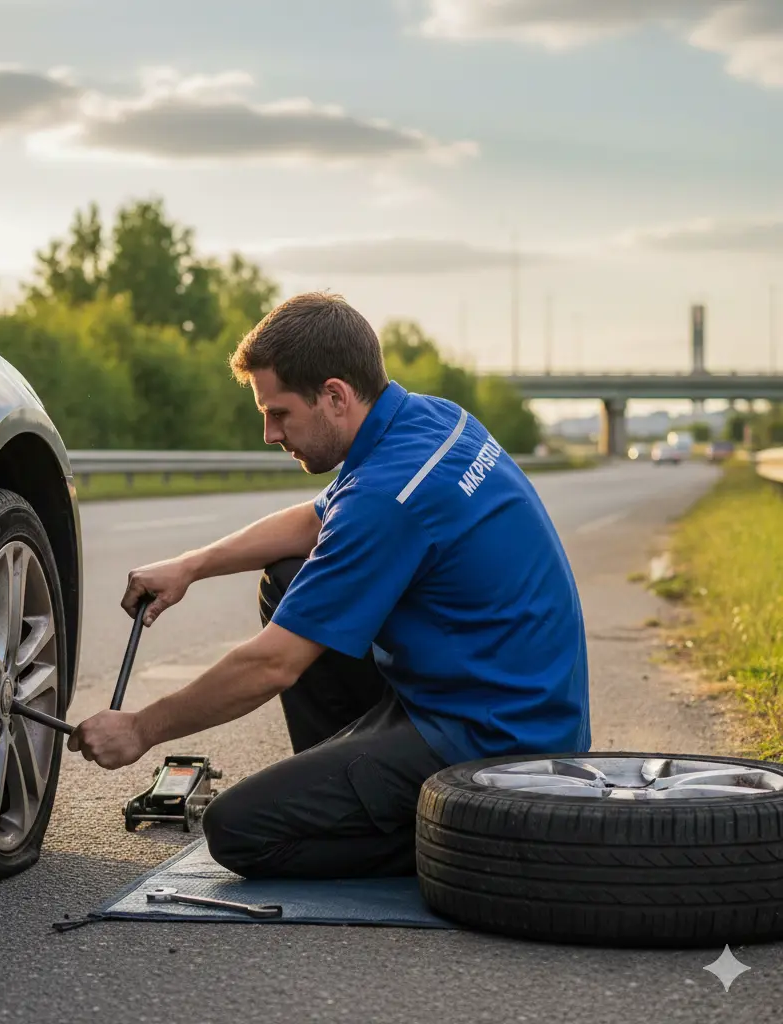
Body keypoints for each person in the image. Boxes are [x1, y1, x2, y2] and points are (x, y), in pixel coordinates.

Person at [68, 292, 590, 880]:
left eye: (279, 413)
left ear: (335, 396)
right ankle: (348, 786)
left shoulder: (388, 499)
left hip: (492, 746)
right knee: (286, 578)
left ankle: (466, 835)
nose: (269, 433)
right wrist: (191, 565)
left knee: (240, 831)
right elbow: (316, 521)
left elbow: (272, 665)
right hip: (501, 701)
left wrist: (140, 730)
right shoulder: (430, 420)